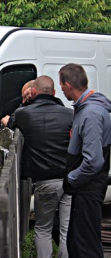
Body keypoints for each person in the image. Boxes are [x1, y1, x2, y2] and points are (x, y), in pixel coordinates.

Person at [12, 75, 73, 258]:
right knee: (66, 229)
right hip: (69, 180)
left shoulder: (25, 114)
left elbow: (12, 121)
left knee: (43, 228)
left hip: (45, 182)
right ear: (54, 93)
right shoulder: (70, 114)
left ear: (33, 93)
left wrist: (24, 102)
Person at [59, 63, 111, 258]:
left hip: (88, 188)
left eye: (61, 85)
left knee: (85, 246)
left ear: (68, 85)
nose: (61, 89)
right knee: (78, 242)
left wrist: (72, 178)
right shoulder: (86, 109)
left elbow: (93, 161)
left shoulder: (91, 113)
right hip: (85, 187)